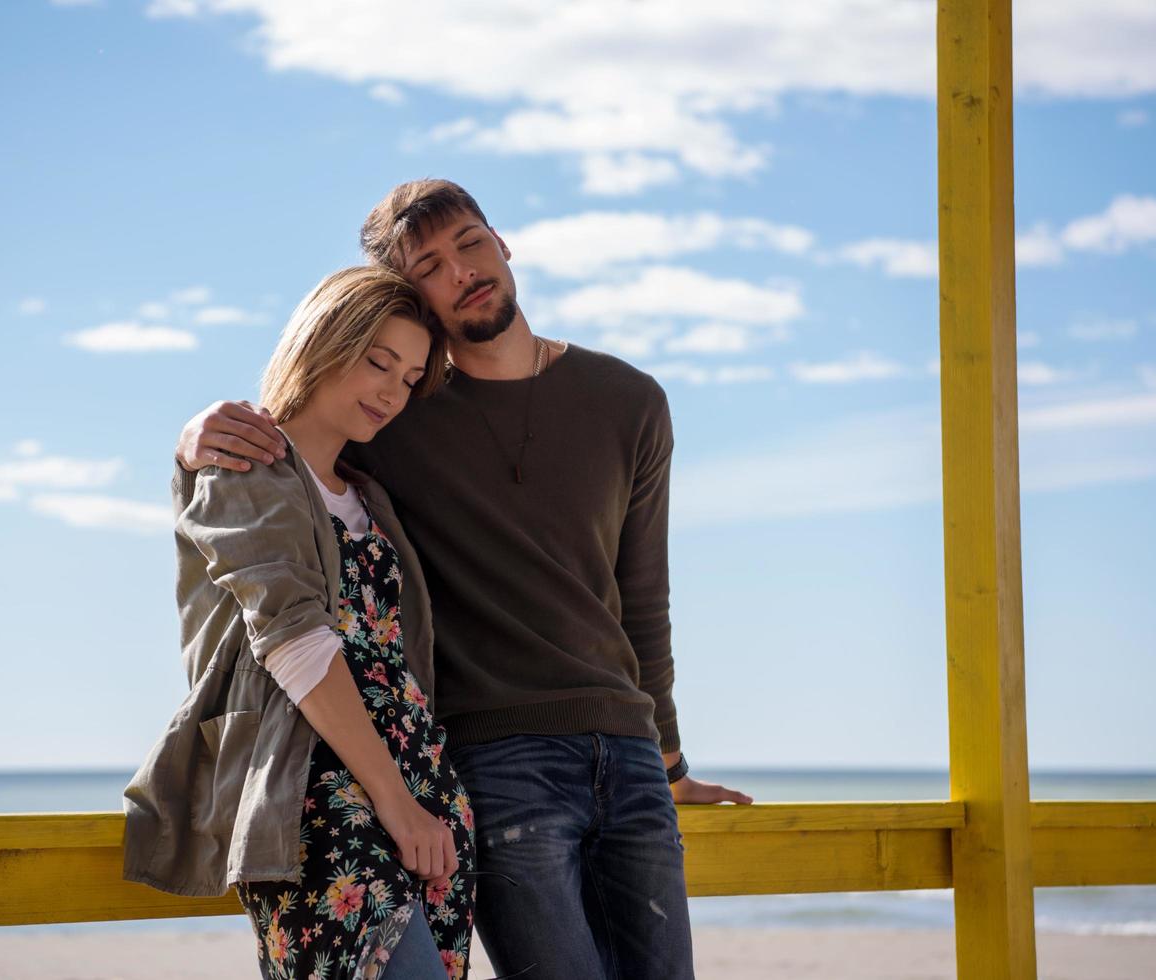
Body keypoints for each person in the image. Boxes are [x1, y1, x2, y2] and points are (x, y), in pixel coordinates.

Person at [175, 180, 754, 980]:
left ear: (502, 243)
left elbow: (641, 598)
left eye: (471, 243)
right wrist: (190, 438)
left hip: (617, 755)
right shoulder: (395, 416)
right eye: (431, 266)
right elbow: (279, 474)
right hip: (488, 760)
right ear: (408, 293)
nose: (462, 272)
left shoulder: (629, 401)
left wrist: (669, 763)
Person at [124, 266, 477, 980]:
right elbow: (292, 641)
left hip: (425, 797)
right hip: (315, 799)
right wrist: (395, 803)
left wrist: (420, 803)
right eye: (377, 361)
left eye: (409, 378)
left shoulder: (374, 497)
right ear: (322, 339)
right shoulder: (246, 464)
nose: (390, 390)